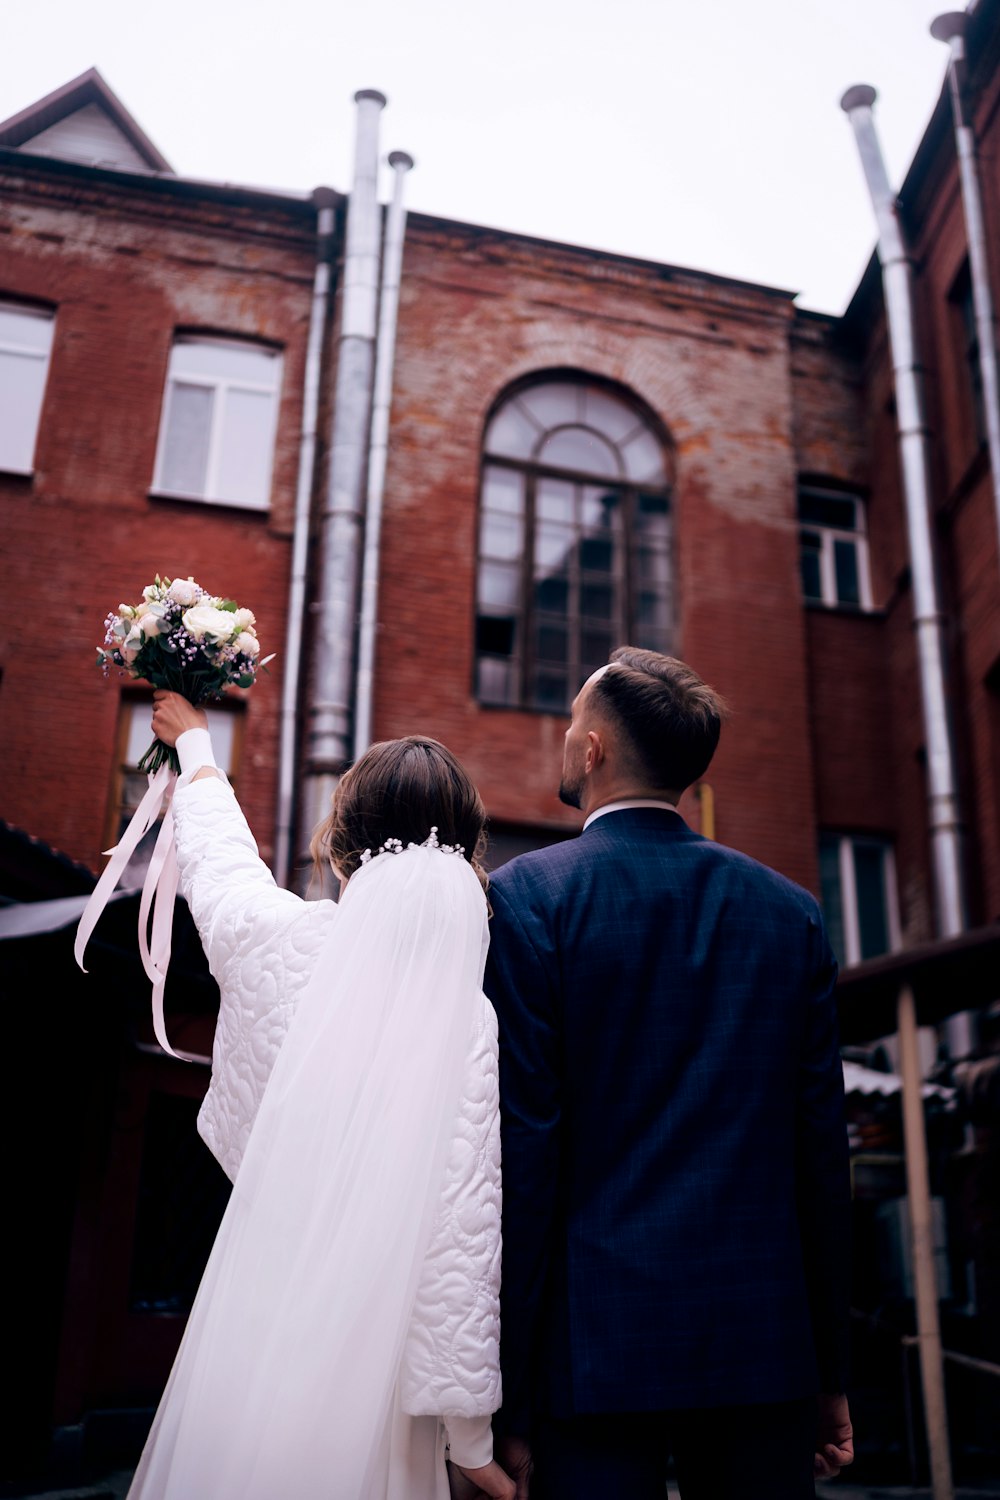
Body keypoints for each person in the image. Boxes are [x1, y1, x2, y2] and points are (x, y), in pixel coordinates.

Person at [484, 647, 854, 1499]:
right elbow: (818, 1156)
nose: (567, 734)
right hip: (763, 1343)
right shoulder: (790, 913)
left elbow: (523, 1156)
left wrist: (507, 1397)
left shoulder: (529, 900)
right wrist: (830, 1370)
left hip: (593, 1347)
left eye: (574, 719)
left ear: (593, 752)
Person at [128, 691, 515, 1500]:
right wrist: (473, 1443)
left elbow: (222, 872)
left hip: (248, 1332)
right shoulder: (465, 1021)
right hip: (374, 1385)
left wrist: (199, 750)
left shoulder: (284, 944)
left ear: (343, 844)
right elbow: (459, 1240)